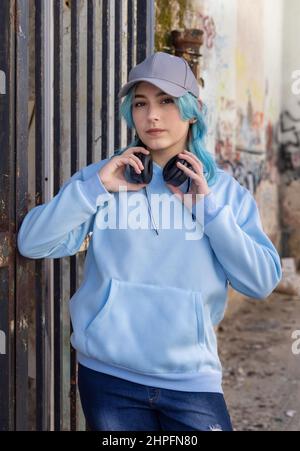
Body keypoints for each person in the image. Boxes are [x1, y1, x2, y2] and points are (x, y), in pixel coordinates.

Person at [17, 52, 282, 431]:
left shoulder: (225, 193)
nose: (152, 116)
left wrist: (207, 211)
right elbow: (31, 243)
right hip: (109, 378)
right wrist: (95, 189)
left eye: (167, 102)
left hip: (191, 381)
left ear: (193, 110)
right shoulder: (106, 178)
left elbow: (261, 282)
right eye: (141, 103)